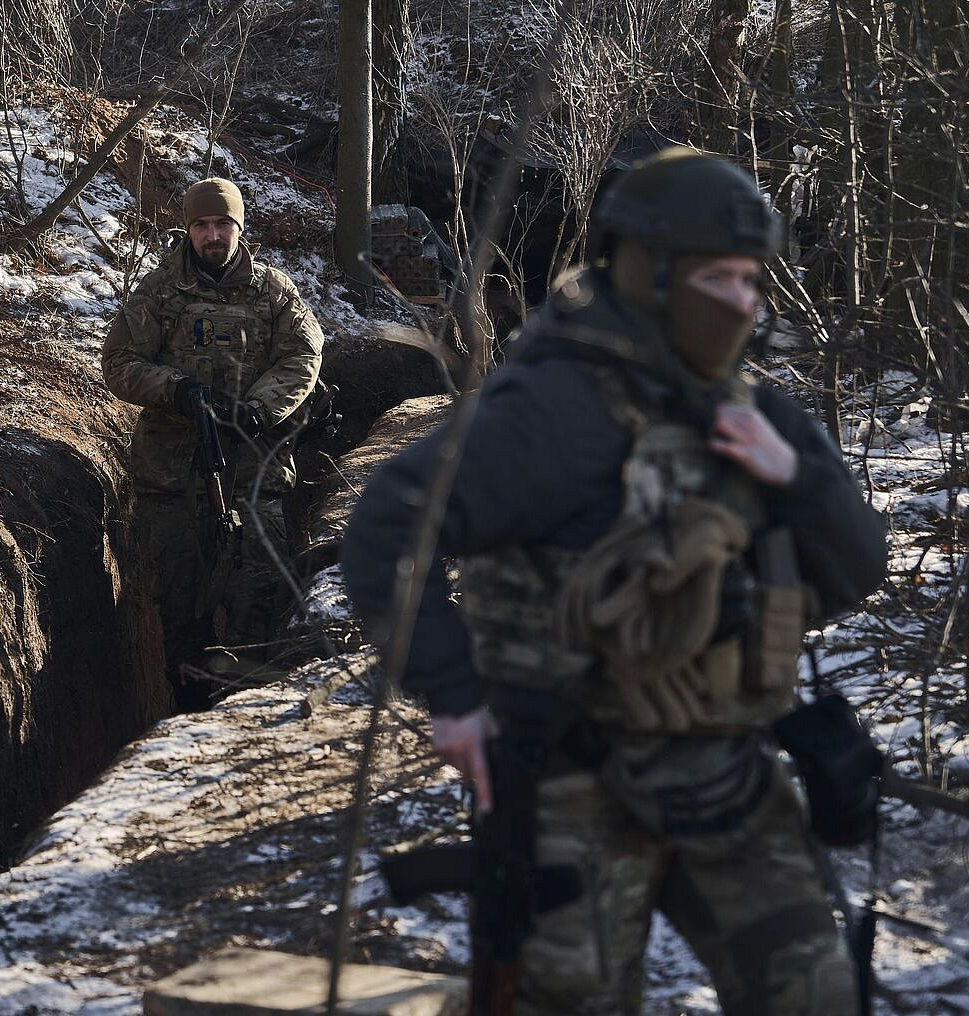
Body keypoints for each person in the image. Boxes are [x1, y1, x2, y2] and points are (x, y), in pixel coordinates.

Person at [340, 149, 887, 1015]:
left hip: (725, 776)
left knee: (817, 993)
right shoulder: (549, 413)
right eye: (720, 278)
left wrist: (796, 476)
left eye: (753, 280)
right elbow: (381, 533)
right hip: (568, 786)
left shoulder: (753, 410)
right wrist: (454, 695)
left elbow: (860, 566)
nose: (744, 304)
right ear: (650, 274)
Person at [103, 177, 324, 713]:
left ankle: (250, 708)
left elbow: (304, 355)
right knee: (180, 607)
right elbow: (119, 364)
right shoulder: (158, 292)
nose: (212, 235)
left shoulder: (273, 291)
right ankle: (187, 708)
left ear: (239, 228)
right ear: (187, 229)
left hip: (253, 473)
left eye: (222, 224)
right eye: (201, 224)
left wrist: (257, 409)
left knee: (261, 597)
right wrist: (177, 391)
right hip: (174, 478)